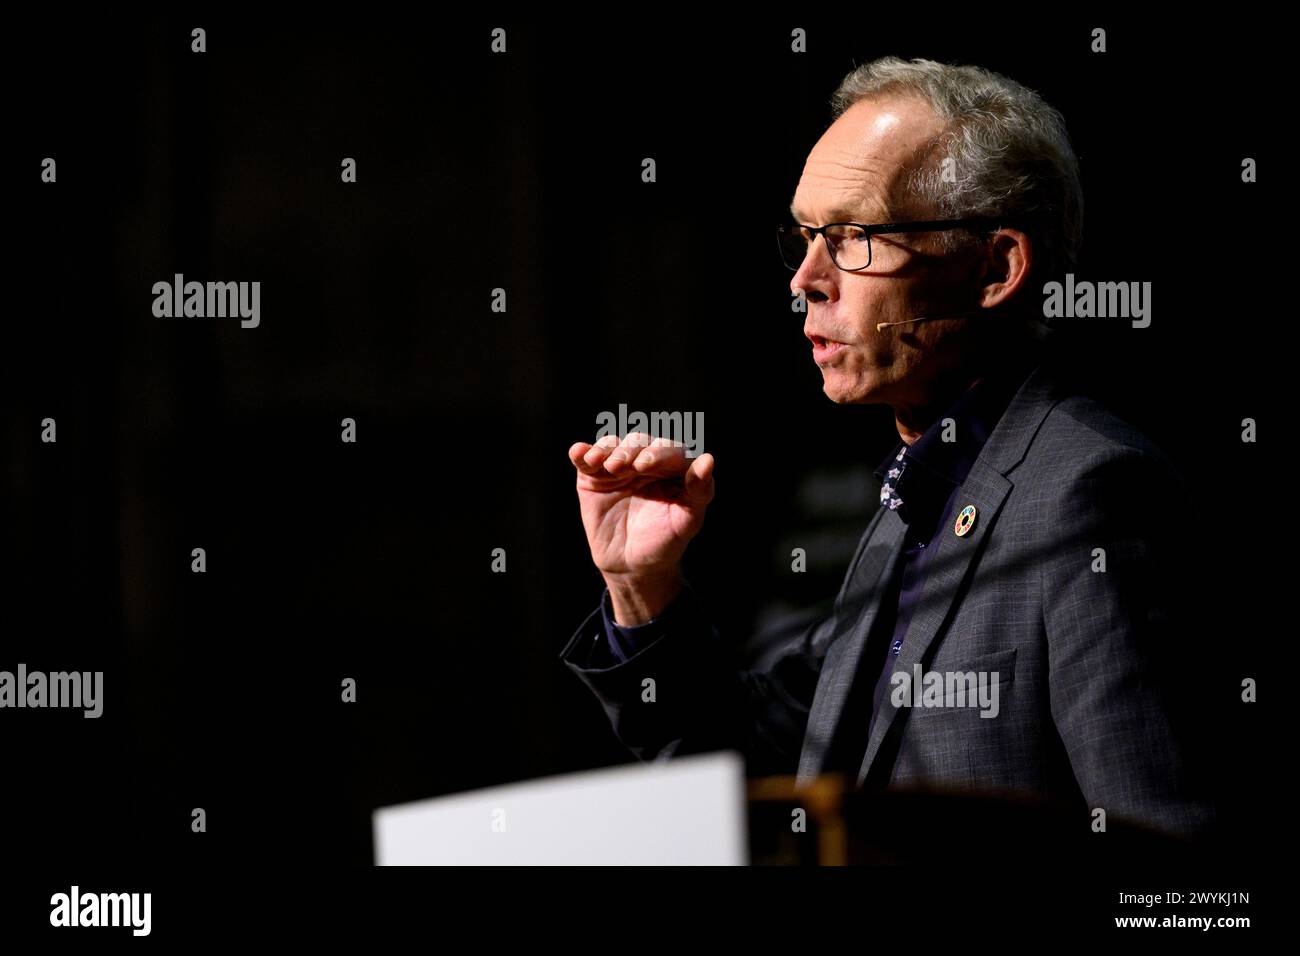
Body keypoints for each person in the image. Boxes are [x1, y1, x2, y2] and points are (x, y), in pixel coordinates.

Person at [558, 57, 1214, 839]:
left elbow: (1176, 869)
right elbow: (764, 767)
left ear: (997, 268)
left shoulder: (1090, 493)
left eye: (852, 237)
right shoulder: (918, 494)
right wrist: (643, 587)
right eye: (804, 237)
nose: (806, 279)